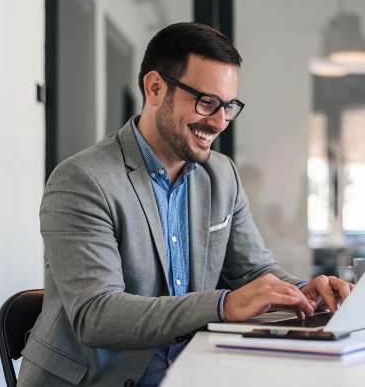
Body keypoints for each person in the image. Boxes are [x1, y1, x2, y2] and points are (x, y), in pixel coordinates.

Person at [17, 23, 353, 387]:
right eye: (207, 102)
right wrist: (223, 305)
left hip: (194, 372)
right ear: (156, 88)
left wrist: (303, 292)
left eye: (229, 106)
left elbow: (254, 271)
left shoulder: (222, 176)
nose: (220, 121)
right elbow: (97, 315)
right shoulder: (82, 179)